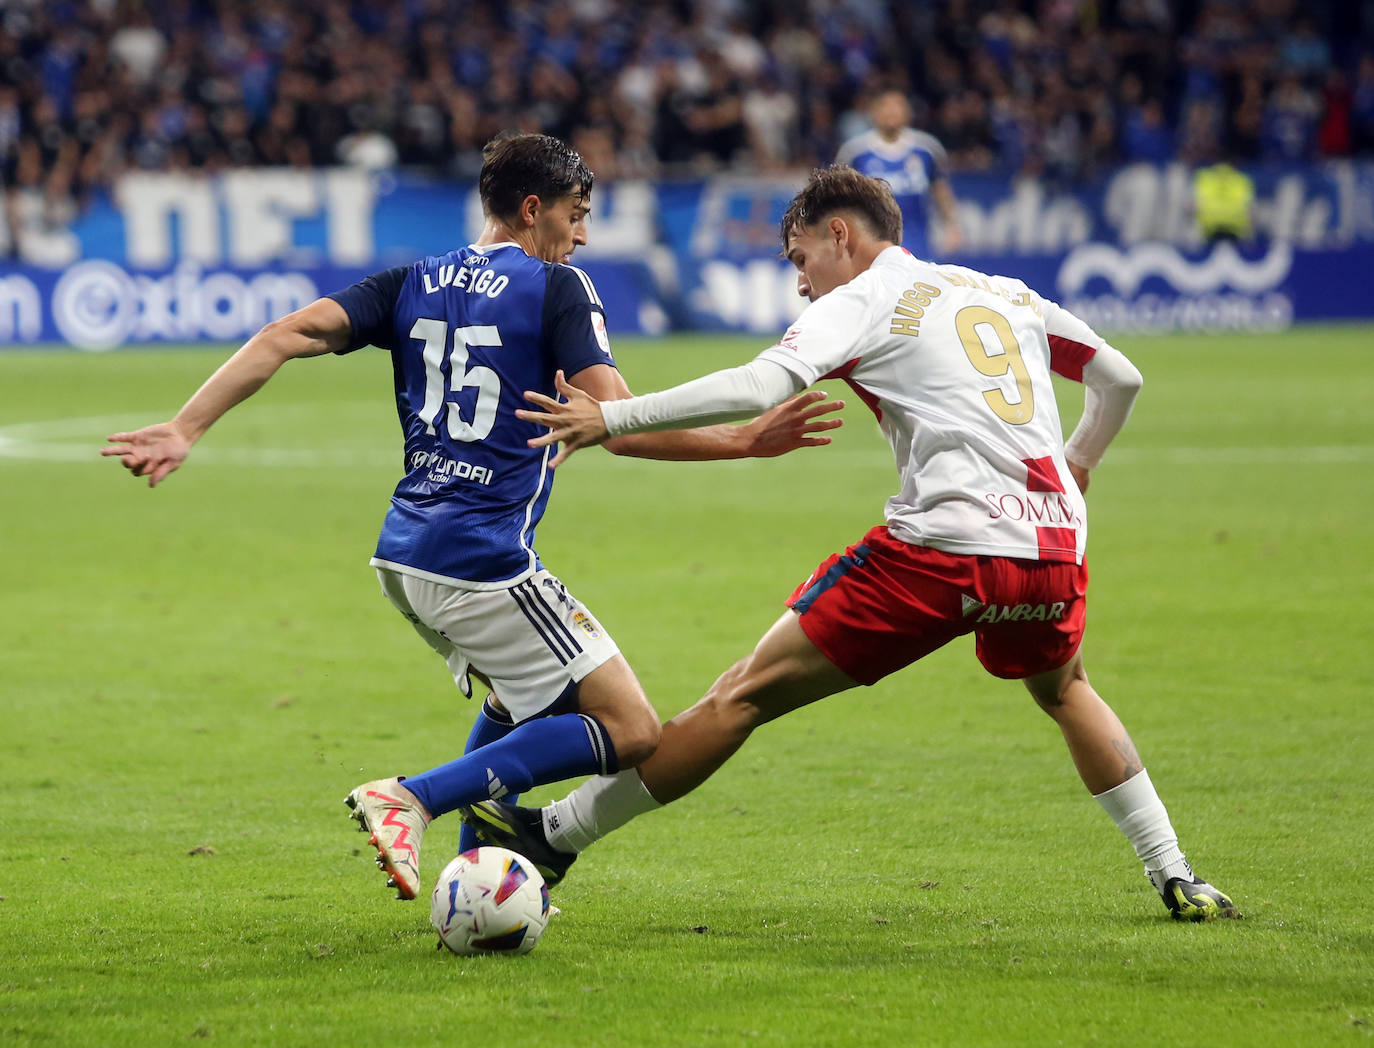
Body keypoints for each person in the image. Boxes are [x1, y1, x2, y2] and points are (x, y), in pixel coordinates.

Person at [462, 165, 1238, 922]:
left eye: (802, 259)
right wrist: (1077, 462)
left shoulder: (870, 295)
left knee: (743, 693)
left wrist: (614, 418)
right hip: (1052, 548)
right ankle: (1175, 872)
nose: (801, 283)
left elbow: (764, 385)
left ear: (840, 234)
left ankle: (553, 833)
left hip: (946, 547)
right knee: (1067, 689)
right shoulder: (1004, 292)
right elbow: (1120, 377)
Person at [101, 133, 842, 901]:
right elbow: (617, 422)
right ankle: (413, 797)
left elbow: (284, 334)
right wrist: (743, 440)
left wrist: (185, 426)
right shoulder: (559, 288)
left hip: (404, 553)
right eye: (576, 214)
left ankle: (473, 878)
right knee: (632, 729)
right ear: (532, 209)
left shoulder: (412, 280)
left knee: (510, 696)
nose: (582, 235)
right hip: (482, 558)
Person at [836, 89, 962, 260]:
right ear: (873, 112)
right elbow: (839, 198)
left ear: (908, 112)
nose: (891, 111)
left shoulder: (927, 149)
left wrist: (952, 226)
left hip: (919, 244)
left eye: (897, 106)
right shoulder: (855, 152)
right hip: (871, 246)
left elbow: (940, 189)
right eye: (885, 106)